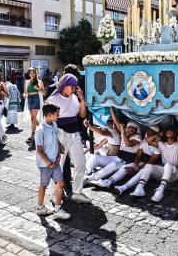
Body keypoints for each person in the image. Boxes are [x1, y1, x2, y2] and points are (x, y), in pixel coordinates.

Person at [45, 73, 90, 204]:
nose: (75, 89)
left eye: (76, 86)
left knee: (81, 162)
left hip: (74, 134)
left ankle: (77, 192)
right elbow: (47, 122)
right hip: (59, 134)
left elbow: (81, 115)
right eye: (73, 86)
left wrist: (82, 99)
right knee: (57, 166)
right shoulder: (53, 99)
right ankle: (54, 194)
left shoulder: (75, 98)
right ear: (64, 86)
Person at [85, 107, 141, 184]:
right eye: (129, 127)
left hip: (126, 162)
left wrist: (123, 130)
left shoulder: (137, 137)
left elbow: (128, 144)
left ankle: (91, 178)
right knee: (95, 157)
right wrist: (111, 108)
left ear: (136, 130)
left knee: (114, 165)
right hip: (117, 158)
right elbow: (116, 121)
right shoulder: (123, 133)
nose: (131, 129)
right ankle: (85, 173)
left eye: (133, 128)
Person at [34, 104, 71, 220]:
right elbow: (39, 150)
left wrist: (59, 152)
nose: (58, 116)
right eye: (57, 114)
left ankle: (58, 209)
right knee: (43, 185)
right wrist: (49, 163)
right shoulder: (40, 130)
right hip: (45, 164)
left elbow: (55, 138)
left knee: (60, 183)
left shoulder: (54, 125)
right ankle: (40, 208)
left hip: (55, 161)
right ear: (49, 115)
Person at [99, 126, 161, 194]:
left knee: (143, 171)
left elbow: (150, 162)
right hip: (141, 164)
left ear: (155, 134)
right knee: (124, 167)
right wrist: (135, 165)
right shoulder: (144, 141)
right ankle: (109, 181)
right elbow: (138, 156)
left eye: (151, 130)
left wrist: (137, 169)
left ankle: (124, 187)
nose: (148, 131)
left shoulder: (157, 145)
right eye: (148, 129)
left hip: (151, 167)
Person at [131, 127, 178, 202]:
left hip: (174, 173)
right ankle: (140, 188)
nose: (169, 131)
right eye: (167, 130)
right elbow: (147, 140)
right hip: (163, 173)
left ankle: (160, 191)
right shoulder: (162, 144)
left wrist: (174, 130)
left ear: (175, 134)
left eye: (171, 131)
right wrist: (159, 134)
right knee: (148, 165)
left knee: (168, 165)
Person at [24, 67, 45, 144]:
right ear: (29, 74)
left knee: (33, 117)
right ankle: (42, 129)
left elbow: (43, 93)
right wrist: (25, 95)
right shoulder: (27, 82)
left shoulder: (39, 82)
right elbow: (25, 92)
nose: (32, 74)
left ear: (35, 74)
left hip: (36, 98)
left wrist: (38, 89)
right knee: (33, 118)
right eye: (30, 73)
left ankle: (32, 135)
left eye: (33, 73)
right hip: (29, 99)